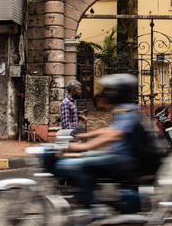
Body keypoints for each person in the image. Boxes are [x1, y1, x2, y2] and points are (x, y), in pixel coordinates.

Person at [45, 74, 143, 218]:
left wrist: (83, 146)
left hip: (122, 158)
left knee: (78, 164)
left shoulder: (127, 110)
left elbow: (113, 135)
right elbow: (109, 130)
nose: (107, 94)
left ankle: (90, 208)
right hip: (120, 155)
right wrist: (84, 136)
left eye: (111, 90)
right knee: (82, 159)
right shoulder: (124, 109)